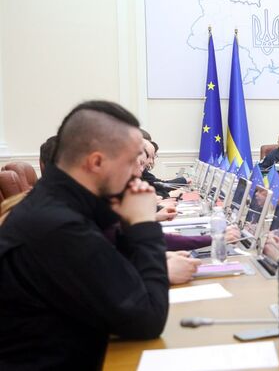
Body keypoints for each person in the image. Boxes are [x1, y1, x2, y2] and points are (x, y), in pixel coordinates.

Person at [0, 100, 169, 369]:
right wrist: (143, 225)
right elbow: (147, 319)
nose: (137, 174)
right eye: (130, 162)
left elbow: (124, 280)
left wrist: (128, 224)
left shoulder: (58, 205)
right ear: (96, 162)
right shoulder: (58, 226)